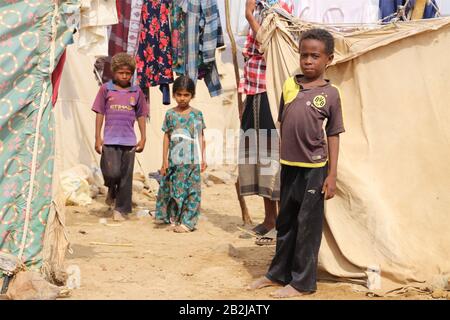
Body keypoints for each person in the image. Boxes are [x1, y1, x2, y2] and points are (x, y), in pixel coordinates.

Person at [248, 28, 345, 298]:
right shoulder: (290, 85)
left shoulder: (331, 94)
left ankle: (302, 283)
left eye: (315, 56)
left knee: (307, 226)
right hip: (288, 166)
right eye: (304, 55)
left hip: (314, 170)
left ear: (329, 59)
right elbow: (283, 122)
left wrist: (332, 174)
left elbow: (333, 134)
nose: (308, 61)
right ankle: (277, 274)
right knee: (286, 222)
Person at [238, 0, 294, 243]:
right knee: (259, 159)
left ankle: (281, 223)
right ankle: (269, 218)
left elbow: (271, 45)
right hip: (253, 92)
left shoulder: (282, 7)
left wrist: (250, 15)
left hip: (270, 91)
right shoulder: (261, 7)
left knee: (274, 159)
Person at [92, 52, 149, 221]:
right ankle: (111, 188)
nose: (124, 76)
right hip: (109, 139)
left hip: (128, 141)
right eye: (121, 73)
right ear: (114, 72)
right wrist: (97, 137)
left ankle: (121, 209)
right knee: (111, 173)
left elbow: (141, 115)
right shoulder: (105, 89)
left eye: (128, 73)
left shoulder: (136, 91)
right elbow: (100, 113)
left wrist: (143, 137)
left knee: (125, 177)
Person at [155, 76, 207, 233]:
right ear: (173, 95)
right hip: (174, 161)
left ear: (192, 95)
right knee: (174, 190)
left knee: (192, 191)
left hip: (192, 161)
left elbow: (201, 136)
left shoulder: (197, 114)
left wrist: (204, 158)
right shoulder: (170, 114)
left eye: (186, 95)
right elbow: (166, 137)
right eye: (179, 94)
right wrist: (164, 161)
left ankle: (187, 222)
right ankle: (174, 219)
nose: (182, 98)